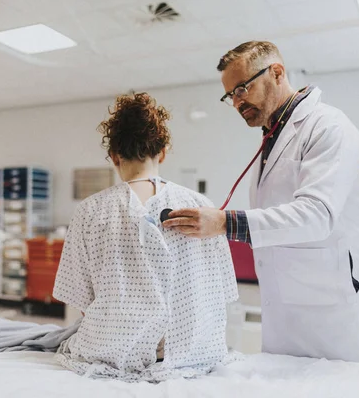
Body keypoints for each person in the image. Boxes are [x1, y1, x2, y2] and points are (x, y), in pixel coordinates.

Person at [163, 41, 359, 365]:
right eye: (231, 96)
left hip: (338, 314)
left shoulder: (329, 127)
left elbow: (317, 214)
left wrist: (225, 222)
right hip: (288, 309)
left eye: (242, 88)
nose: (238, 102)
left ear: (277, 72)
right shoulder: (272, 139)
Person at [52, 92, 239, 381]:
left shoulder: (90, 210)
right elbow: (222, 291)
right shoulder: (201, 206)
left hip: (113, 352)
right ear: (162, 152)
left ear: (114, 156)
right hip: (188, 353)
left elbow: (80, 298)